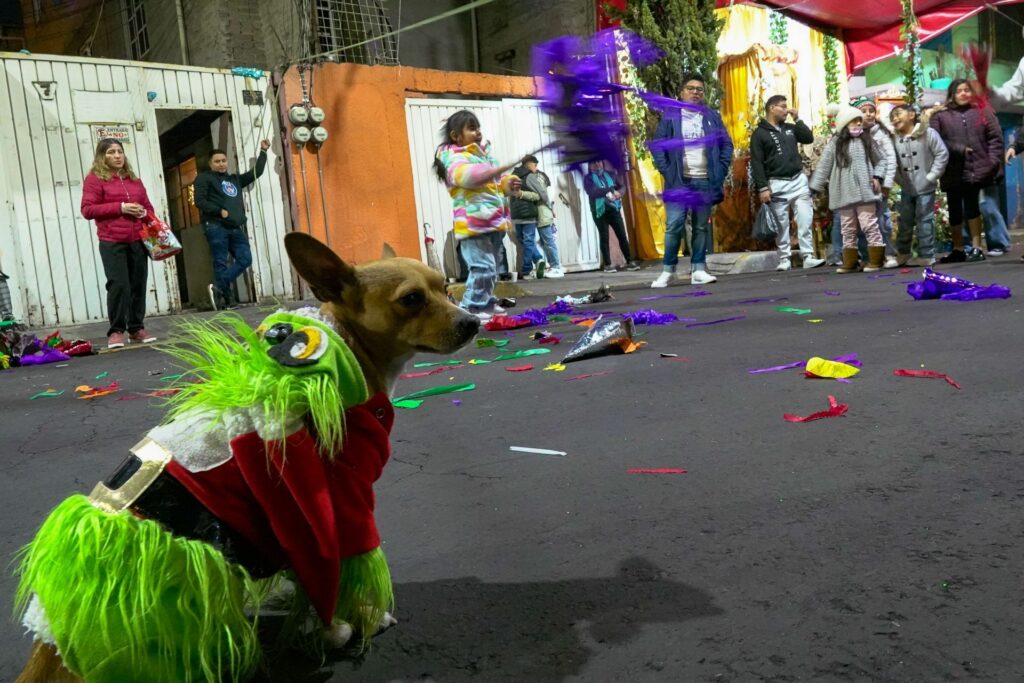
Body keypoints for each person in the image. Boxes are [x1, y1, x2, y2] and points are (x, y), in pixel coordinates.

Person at [434, 109, 523, 322]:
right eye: (472, 128)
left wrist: (508, 184)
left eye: (478, 127)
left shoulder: (483, 156)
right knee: (482, 267)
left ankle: (486, 302)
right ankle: (471, 307)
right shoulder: (454, 157)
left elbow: (497, 184)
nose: (478, 132)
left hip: (493, 222)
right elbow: (468, 178)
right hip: (474, 224)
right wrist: (491, 172)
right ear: (456, 136)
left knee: (492, 268)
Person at [650, 72, 734, 288]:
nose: (696, 92)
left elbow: (727, 145)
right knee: (674, 225)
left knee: (700, 228)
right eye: (691, 88)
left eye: (699, 89)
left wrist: (720, 170)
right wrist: (668, 172)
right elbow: (658, 146)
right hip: (679, 181)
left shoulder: (711, 117)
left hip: (704, 180)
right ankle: (668, 271)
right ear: (682, 92)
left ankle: (698, 269)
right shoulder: (670, 117)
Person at [80, 138, 157, 349]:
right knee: (119, 284)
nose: (117, 155)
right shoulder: (94, 179)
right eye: (111, 152)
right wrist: (120, 207)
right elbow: (87, 210)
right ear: (101, 156)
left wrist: (143, 212)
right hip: (111, 241)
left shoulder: (134, 180)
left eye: (120, 151)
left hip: (138, 240)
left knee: (138, 284)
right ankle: (116, 331)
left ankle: (136, 328)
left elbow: (149, 208)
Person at [928, 79, 1003, 263]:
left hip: (976, 169)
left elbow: (996, 139)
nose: (963, 94)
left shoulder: (982, 112)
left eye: (967, 90)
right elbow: (934, 140)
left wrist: (990, 162)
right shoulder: (940, 116)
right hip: (952, 170)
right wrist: (958, 148)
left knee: (972, 207)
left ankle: (977, 247)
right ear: (952, 94)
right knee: (954, 210)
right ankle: (958, 249)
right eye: (959, 91)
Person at [750, 95, 825, 271]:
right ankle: (784, 258)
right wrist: (762, 188)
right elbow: (757, 163)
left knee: (805, 219)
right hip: (777, 183)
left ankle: (808, 256)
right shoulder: (759, 134)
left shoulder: (790, 128)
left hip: (798, 180)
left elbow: (808, 138)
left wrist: (797, 118)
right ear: (771, 108)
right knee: (781, 223)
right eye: (783, 107)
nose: (786, 110)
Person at [808, 104, 886, 273]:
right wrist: (814, 187)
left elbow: (881, 160)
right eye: (853, 122)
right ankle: (850, 262)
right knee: (847, 227)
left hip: (866, 192)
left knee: (869, 225)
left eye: (859, 121)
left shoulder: (867, 140)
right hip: (844, 192)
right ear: (844, 124)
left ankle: (876, 260)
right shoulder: (835, 143)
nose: (858, 124)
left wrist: (878, 177)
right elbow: (824, 166)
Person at [194, 139, 269, 309]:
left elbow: (256, 172)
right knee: (220, 262)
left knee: (245, 259)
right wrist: (219, 211)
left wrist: (263, 151)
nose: (221, 164)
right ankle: (226, 302)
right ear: (210, 163)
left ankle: (218, 287)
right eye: (217, 161)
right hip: (215, 226)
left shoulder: (234, 179)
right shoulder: (204, 179)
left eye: (223, 161)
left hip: (235, 227)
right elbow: (200, 201)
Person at [889, 104, 949, 267]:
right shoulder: (894, 138)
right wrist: (900, 180)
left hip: (925, 186)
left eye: (898, 114)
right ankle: (903, 253)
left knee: (924, 220)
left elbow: (942, 154)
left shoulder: (928, 133)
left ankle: (926, 254)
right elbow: (890, 161)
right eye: (892, 117)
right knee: (904, 221)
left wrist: (931, 176)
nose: (895, 119)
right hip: (907, 187)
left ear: (911, 115)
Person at [851, 96, 899, 268]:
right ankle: (868, 256)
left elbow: (890, 159)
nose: (869, 115)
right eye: (864, 112)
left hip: (879, 187)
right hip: (860, 189)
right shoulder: (851, 136)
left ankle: (889, 254)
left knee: (882, 221)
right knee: (863, 223)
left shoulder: (881, 134)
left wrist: (886, 184)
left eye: (871, 111)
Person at [583, 160, 641, 273]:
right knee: (604, 237)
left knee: (622, 235)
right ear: (590, 166)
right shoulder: (588, 178)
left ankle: (629, 262)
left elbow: (622, 186)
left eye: (599, 162)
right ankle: (608, 265)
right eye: (594, 163)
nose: (597, 164)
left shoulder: (611, 174)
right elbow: (593, 192)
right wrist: (610, 190)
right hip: (599, 211)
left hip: (614, 209)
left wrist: (619, 193)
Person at [523, 156, 564, 278]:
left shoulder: (538, 177)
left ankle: (556, 267)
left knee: (548, 241)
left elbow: (542, 195)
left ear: (535, 164)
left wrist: (550, 209)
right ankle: (552, 266)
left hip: (543, 212)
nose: (527, 167)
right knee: (543, 241)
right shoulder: (537, 176)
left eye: (529, 164)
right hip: (541, 212)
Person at [510, 156, 548, 279]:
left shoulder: (512, 177)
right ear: (528, 164)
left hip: (516, 214)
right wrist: (546, 201)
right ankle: (527, 270)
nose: (536, 168)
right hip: (528, 215)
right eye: (535, 165)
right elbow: (541, 193)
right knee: (528, 241)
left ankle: (537, 259)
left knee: (525, 241)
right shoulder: (530, 176)